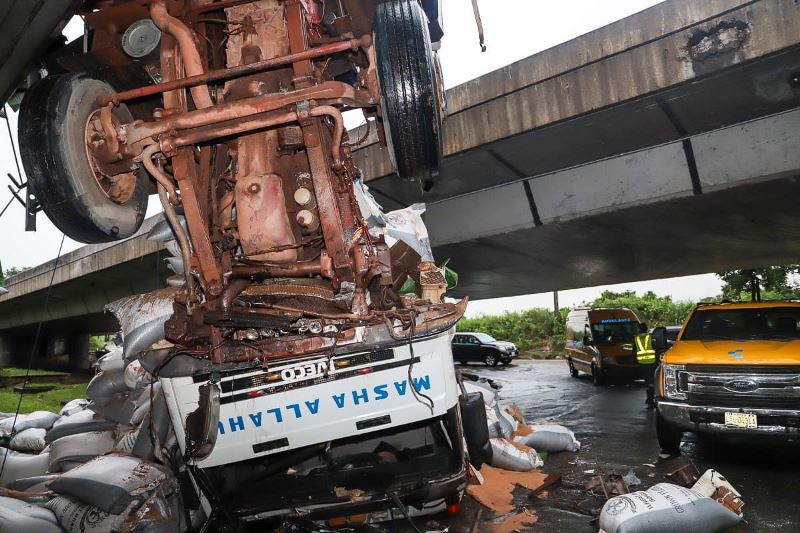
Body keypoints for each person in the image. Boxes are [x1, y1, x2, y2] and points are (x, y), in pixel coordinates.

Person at [635, 323, 657, 408]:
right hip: (652, 362)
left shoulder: (636, 339)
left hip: (642, 364)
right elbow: (656, 347)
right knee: (652, 383)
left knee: (648, 383)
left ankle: (649, 399)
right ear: (646, 329)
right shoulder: (650, 337)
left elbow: (634, 350)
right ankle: (650, 400)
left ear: (639, 329)